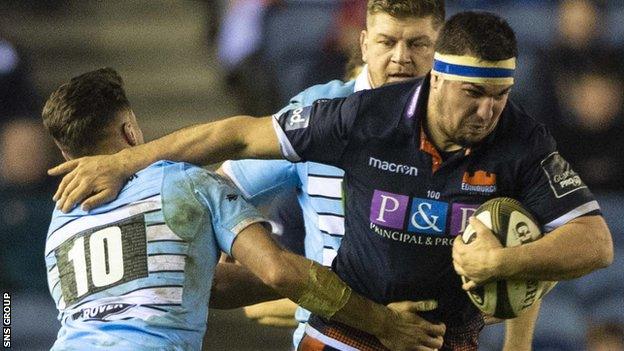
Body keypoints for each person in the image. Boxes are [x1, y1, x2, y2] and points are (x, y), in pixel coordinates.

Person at [48, 12, 614, 351]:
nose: (489, 111)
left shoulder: (520, 139)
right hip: (343, 336)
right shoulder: (355, 116)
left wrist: (501, 268)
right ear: (439, 78)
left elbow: (592, 242)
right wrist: (352, 307)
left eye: (501, 96)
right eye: (474, 94)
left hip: (442, 341)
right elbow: (242, 147)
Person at [41, 68, 447, 351]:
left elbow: (209, 285)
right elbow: (279, 272)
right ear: (131, 131)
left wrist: (338, 290)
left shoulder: (58, 224)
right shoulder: (186, 183)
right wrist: (384, 322)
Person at [219, 0, 444, 347]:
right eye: (387, 42)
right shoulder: (317, 114)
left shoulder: (470, 123)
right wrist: (232, 235)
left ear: (439, 48)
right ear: (364, 44)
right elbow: (223, 184)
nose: (402, 57)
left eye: (417, 43)